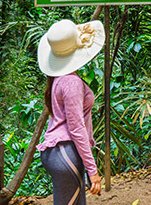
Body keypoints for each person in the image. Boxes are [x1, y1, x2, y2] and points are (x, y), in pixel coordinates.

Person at [36, 19, 104, 204]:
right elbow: (76, 128)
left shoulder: (58, 78)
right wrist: (93, 170)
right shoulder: (71, 82)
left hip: (58, 152)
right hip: (66, 153)